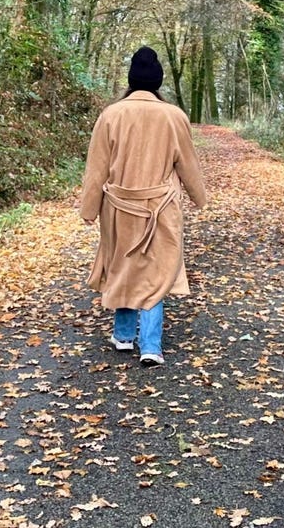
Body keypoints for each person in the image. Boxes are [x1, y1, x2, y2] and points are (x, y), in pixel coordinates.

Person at [80, 46, 208, 366]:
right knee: (155, 272)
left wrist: (89, 209)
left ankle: (124, 337)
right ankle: (150, 346)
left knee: (125, 267)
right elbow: (188, 165)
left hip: (120, 208)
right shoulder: (174, 116)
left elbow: (96, 169)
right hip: (161, 209)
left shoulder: (111, 115)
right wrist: (199, 197)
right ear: (158, 81)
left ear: (131, 79)